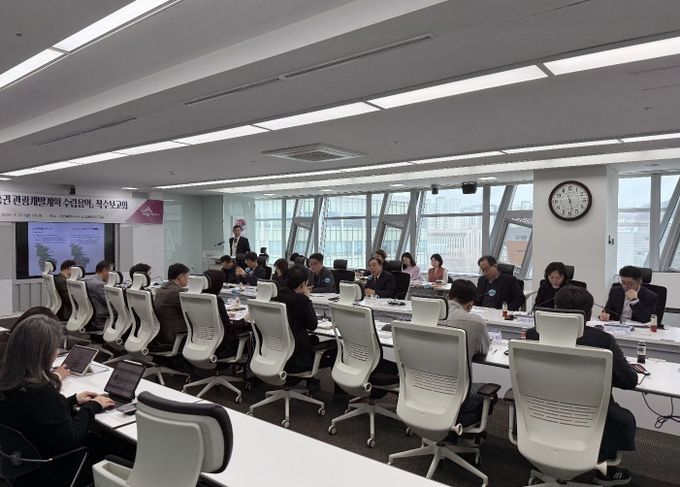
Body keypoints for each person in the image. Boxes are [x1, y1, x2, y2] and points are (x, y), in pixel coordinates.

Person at [526, 286, 637, 485]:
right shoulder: (602, 340)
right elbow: (629, 380)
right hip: (589, 418)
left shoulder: (534, 334)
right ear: (588, 313)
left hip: (543, 413)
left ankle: (548, 460)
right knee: (619, 417)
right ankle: (606, 473)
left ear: (556, 307)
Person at [0, 316, 115, 486]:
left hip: (19, 466)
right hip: (53, 471)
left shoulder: (9, 382)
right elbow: (71, 438)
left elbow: (34, 414)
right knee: (111, 443)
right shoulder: (42, 393)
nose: (57, 352)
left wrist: (72, 400)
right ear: (44, 354)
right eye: (55, 348)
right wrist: (93, 406)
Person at [440, 279, 491, 426]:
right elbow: (483, 349)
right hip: (458, 396)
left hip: (421, 389)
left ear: (449, 296)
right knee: (489, 395)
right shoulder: (475, 322)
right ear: (470, 304)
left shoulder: (425, 314)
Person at [273, 266, 336, 372]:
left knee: (314, 339)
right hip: (298, 358)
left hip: (278, 353)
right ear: (303, 283)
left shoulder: (276, 295)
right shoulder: (301, 300)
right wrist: (307, 298)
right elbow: (312, 325)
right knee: (336, 346)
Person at [202, 270, 251, 358]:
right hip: (222, 346)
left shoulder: (198, 298)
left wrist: (224, 316)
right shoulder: (216, 300)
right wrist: (244, 320)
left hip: (202, 341)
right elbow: (229, 327)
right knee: (249, 329)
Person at [152, 263, 190, 349]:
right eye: (187, 276)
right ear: (180, 277)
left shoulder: (161, 290)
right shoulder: (178, 292)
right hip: (175, 336)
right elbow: (192, 313)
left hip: (161, 334)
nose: (188, 279)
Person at [83, 260, 113, 331]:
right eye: (110, 271)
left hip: (91, 317)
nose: (111, 274)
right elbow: (108, 303)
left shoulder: (88, 280)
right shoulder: (99, 284)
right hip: (102, 318)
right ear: (105, 270)